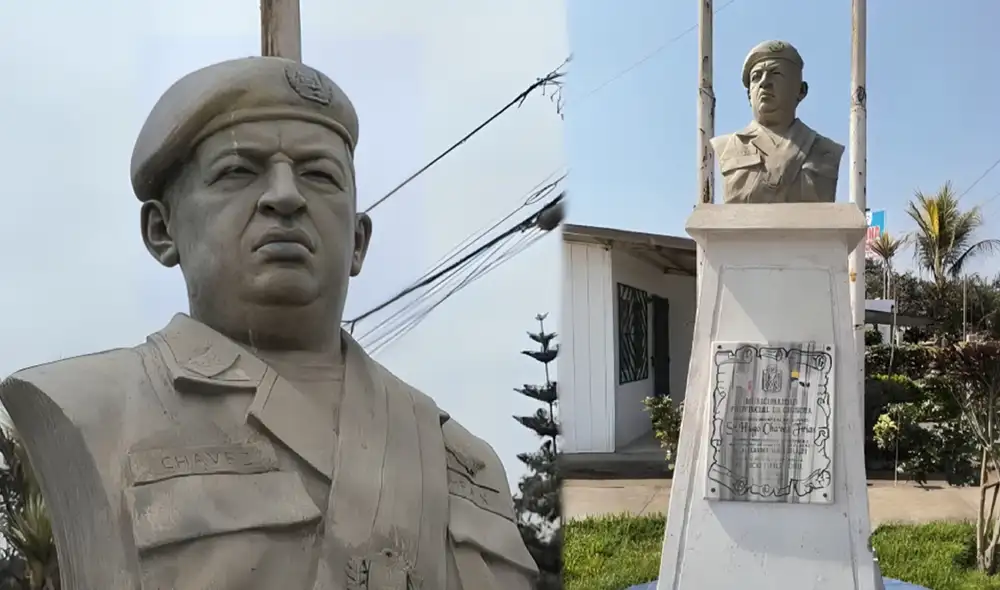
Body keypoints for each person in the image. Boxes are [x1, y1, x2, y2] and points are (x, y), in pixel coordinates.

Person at [0, 56, 537, 590]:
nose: (286, 196)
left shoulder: (466, 463)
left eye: (320, 175)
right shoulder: (90, 409)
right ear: (162, 231)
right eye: (238, 170)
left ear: (358, 241)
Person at [711, 40, 845, 204]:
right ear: (748, 95)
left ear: (801, 91)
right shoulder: (727, 146)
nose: (764, 83)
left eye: (776, 74)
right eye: (756, 77)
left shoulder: (826, 151)